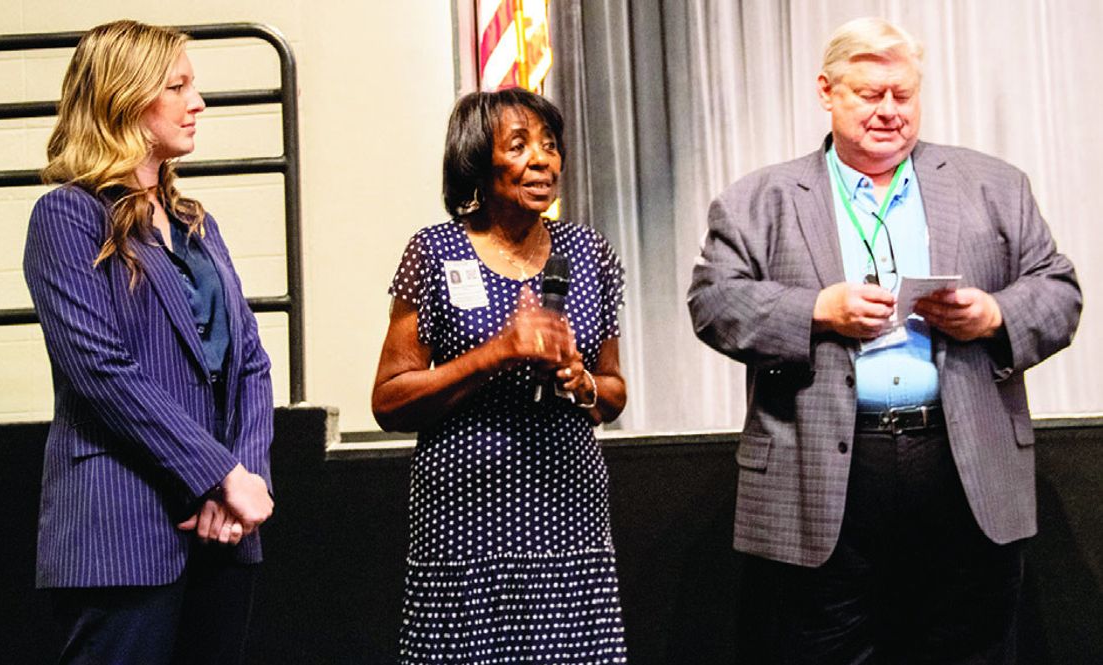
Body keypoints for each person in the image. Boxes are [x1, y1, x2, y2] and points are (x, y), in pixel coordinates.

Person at [687, 17, 1080, 665]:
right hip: (824, 467)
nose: (889, 111)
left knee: (969, 646)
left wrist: (993, 315)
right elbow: (713, 303)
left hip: (962, 461)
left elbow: (1059, 291)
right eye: (870, 94)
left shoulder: (993, 184)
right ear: (827, 91)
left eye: (903, 95)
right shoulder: (760, 198)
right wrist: (817, 309)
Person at [22, 20, 274, 665]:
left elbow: (248, 359)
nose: (199, 102)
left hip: (222, 530)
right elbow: (101, 370)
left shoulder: (195, 222)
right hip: (121, 530)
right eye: (178, 86)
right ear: (125, 97)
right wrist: (218, 474)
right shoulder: (67, 215)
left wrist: (245, 477)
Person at [372, 88, 628, 663]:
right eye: (520, 145)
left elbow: (612, 392)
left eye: (551, 145)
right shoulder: (434, 253)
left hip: (569, 511)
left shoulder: (589, 253)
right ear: (476, 162)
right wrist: (497, 354)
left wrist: (579, 379)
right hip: (464, 515)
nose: (544, 160)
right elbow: (389, 400)